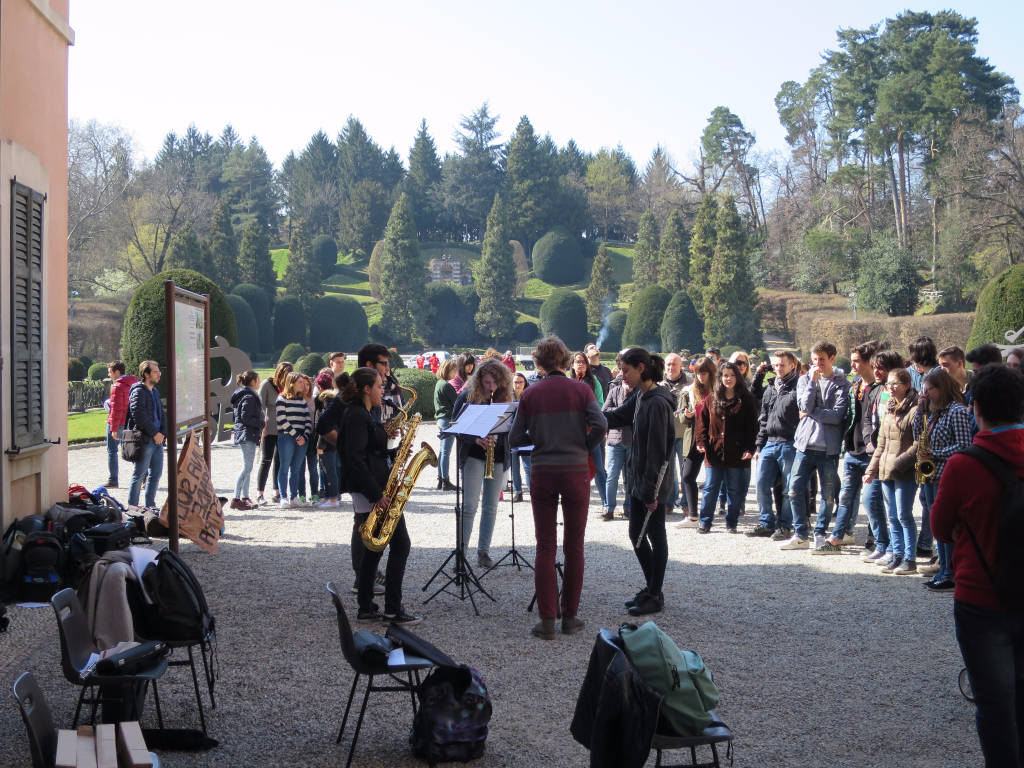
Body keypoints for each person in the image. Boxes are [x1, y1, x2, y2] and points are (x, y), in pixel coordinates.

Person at [931, 363, 1024, 766]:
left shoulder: (964, 465)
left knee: (994, 702)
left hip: (981, 594)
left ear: (976, 408)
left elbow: (939, 527)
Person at [509, 336, 606, 639]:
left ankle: (547, 620)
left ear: (537, 362)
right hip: (576, 470)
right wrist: (583, 446)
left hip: (543, 471)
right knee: (574, 545)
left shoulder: (531, 395)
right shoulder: (582, 389)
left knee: (545, 546)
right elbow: (601, 425)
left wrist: (540, 441)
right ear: (564, 360)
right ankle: (571, 617)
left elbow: (514, 439)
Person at [340, 367, 420, 625]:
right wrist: (376, 495)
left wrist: (395, 454)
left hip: (373, 487)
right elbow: (355, 459)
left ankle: (366, 606)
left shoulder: (362, 414)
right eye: (378, 386)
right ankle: (393, 610)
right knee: (401, 544)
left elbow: (370, 453)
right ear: (366, 389)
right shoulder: (356, 416)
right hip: (371, 490)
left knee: (373, 549)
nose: (382, 390)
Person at [603, 348, 675, 616]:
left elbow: (657, 451)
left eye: (626, 370)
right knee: (636, 535)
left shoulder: (656, 402)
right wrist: (589, 415)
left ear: (641, 368)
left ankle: (655, 595)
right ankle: (652, 588)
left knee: (655, 536)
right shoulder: (641, 395)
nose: (623, 375)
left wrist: (651, 492)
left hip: (652, 483)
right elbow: (618, 416)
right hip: (638, 479)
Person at [780, 342, 851, 550]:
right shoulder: (804, 380)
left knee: (827, 496)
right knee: (793, 490)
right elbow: (803, 405)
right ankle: (801, 534)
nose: (817, 363)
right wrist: (811, 383)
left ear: (832, 358)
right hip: (804, 444)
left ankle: (820, 533)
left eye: (822, 359)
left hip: (828, 448)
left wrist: (812, 412)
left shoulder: (842, 384)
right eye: (814, 359)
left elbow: (837, 416)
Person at [815, 342, 884, 553]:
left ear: (868, 363)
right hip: (853, 450)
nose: (852, 365)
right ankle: (837, 538)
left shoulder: (882, 389)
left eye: (856, 361)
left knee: (872, 500)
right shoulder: (855, 385)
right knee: (845, 497)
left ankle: (876, 541)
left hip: (872, 453)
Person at [914, 368, 976, 588]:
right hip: (931, 476)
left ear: (941, 388)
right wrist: (919, 412)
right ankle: (943, 569)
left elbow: (964, 446)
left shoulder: (956, 411)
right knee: (936, 524)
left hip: (946, 476)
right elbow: (918, 436)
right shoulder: (934, 412)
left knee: (947, 527)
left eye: (929, 389)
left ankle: (950, 571)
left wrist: (934, 455)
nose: (925, 393)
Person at [452, 359, 513, 569]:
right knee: (469, 506)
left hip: (498, 456)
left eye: (495, 384)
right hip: (474, 456)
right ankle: (461, 554)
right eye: (487, 383)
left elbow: (513, 427)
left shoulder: (506, 399)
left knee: (491, 506)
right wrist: (475, 438)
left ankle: (483, 552)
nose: (491, 388)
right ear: (479, 381)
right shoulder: (467, 398)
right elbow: (455, 428)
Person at [864, 368, 919, 574]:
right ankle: (897, 555)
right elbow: (881, 444)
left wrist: (899, 463)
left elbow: (918, 444)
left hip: (904, 471)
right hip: (886, 470)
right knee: (893, 517)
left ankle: (910, 559)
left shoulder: (916, 410)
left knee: (905, 515)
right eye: (889, 383)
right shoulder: (889, 407)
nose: (891, 387)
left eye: (896, 383)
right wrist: (871, 470)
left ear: (906, 385)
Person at [694, 361, 758, 533]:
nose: (728, 379)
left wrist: (750, 448)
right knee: (710, 488)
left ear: (737, 377)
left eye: (731, 375)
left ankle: (732, 522)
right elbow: (702, 424)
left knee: (734, 490)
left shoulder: (747, 399)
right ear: (720, 378)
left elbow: (752, 427)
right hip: (715, 451)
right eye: (725, 375)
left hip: (737, 451)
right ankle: (705, 521)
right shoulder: (711, 398)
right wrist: (701, 442)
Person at [749, 351, 799, 539]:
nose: (778, 368)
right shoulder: (771, 387)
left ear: (792, 365)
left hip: (789, 442)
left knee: (787, 488)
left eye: (782, 365)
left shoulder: (798, 386)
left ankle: (785, 525)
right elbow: (763, 418)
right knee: (761, 483)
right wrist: (759, 446)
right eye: (776, 365)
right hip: (769, 442)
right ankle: (766, 522)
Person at [678, 356, 717, 528]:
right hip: (694, 438)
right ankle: (693, 516)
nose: (701, 376)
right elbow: (679, 416)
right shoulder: (688, 391)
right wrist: (686, 416)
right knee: (687, 476)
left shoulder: (718, 391)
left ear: (711, 373)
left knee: (715, 480)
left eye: (704, 373)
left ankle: (711, 515)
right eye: (698, 373)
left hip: (714, 439)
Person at [127, 361, 166, 510]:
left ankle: (150, 506)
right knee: (139, 475)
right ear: (146, 374)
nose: (159, 374)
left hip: (157, 440)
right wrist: (155, 433)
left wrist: (162, 433)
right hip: (145, 440)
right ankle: (133, 508)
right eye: (155, 372)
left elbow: (161, 414)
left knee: (156, 474)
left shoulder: (155, 391)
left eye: (159, 372)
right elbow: (139, 416)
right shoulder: (138, 391)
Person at [572, 351, 607, 511]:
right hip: (574, 432)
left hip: (591, 429)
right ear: (572, 365)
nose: (580, 364)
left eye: (583, 362)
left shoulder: (594, 382)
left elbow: (600, 403)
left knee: (599, 466)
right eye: (577, 362)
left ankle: (606, 501)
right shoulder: (568, 382)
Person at [256, 362, 291, 505]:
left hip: (283, 428)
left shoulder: (288, 387)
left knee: (279, 460)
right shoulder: (267, 385)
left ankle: (276, 491)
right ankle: (260, 493)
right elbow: (260, 406)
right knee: (266, 460)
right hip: (269, 428)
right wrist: (262, 426)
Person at [275, 372, 312, 507]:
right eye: (300, 382)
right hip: (287, 437)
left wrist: (305, 436)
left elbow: (308, 420)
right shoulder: (281, 398)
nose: (303, 385)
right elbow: (282, 419)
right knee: (284, 467)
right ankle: (283, 497)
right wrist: (296, 436)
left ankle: (294, 496)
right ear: (291, 383)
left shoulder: (302, 401)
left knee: (296, 469)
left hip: (302, 438)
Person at [602, 357, 632, 521]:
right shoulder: (614, 390)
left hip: (632, 440)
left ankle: (628, 508)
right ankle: (609, 508)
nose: (624, 375)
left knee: (630, 477)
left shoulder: (637, 392)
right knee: (612, 476)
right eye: (622, 371)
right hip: (615, 439)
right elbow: (605, 411)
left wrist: (618, 412)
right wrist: (621, 410)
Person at [230, 370, 264, 511]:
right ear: (253, 381)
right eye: (258, 379)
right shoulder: (249, 397)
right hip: (247, 434)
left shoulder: (244, 395)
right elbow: (245, 418)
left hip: (246, 433)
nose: (260, 382)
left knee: (248, 467)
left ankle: (245, 497)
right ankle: (236, 498)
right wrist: (261, 423)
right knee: (247, 467)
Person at [314, 371, 346, 509]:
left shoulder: (327, 400)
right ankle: (329, 496)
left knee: (329, 471)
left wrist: (320, 444)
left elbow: (326, 425)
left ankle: (333, 498)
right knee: (328, 470)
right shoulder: (335, 400)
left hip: (327, 443)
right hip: (333, 442)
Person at [663, 352, 690, 512]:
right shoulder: (659, 384)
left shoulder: (690, 383)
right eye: (668, 365)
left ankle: (686, 502)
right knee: (668, 471)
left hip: (685, 433)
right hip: (666, 433)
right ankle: (669, 502)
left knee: (685, 470)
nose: (671, 367)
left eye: (674, 364)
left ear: (681, 366)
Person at [105, 360, 137, 489]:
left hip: (118, 423)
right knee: (132, 450)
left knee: (112, 451)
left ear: (117, 372)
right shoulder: (134, 382)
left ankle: (113, 480)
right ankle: (143, 475)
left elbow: (117, 409)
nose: (109, 375)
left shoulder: (117, 386)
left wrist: (113, 428)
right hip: (130, 421)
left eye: (110, 372)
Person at [433, 358, 458, 491]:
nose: (455, 373)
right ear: (448, 370)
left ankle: (440, 479)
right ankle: (445, 481)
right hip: (448, 419)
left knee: (442, 451)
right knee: (446, 452)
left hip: (441, 419)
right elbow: (457, 402)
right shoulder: (446, 386)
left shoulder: (439, 383)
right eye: (454, 370)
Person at [511, 371, 532, 502]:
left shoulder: (529, 397)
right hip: (512, 436)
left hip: (525, 436)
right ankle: (517, 491)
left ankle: (532, 491)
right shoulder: (507, 397)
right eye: (515, 382)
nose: (518, 385)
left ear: (525, 383)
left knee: (528, 466)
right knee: (514, 466)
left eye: (520, 382)